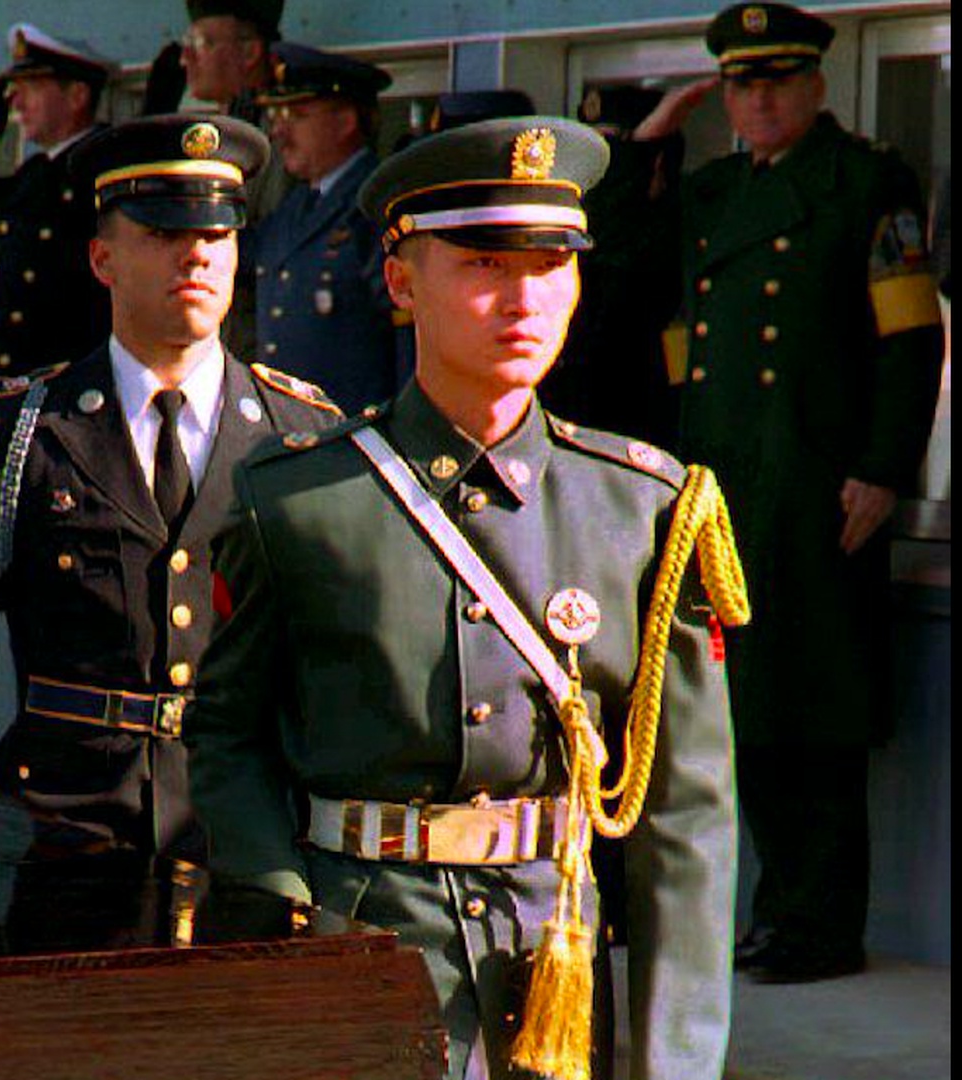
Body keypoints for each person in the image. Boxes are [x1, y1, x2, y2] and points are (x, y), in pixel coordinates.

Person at [186, 117, 743, 1080]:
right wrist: (288, 919)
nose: (523, 299)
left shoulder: (646, 507)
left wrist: (674, 1061)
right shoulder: (301, 499)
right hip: (361, 959)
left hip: (553, 974)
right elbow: (227, 733)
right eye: (486, 262)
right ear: (403, 282)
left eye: (551, 263)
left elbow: (687, 820)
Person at [0, 114, 342, 945]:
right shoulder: (22, 430)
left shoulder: (300, 437)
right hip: (60, 833)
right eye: (162, 232)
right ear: (102, 258)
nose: (195, 254)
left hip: (252, 838)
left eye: (216, 235)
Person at [611, 1, 945, 985]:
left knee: (818, 718)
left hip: (822, 489)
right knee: (746, 712)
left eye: (777, 82)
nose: (759, 102)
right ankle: (777, 915)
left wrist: (884, 468)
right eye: (742, 86)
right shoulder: (712, 192)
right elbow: (637, 288)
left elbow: (910, 340)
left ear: (815, 86)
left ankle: (817, 925)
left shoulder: (865, 184)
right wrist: (645, 150)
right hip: (727, 486)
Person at [0, 23, 116, 387]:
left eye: (32, 88)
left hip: (61, 385)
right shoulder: (34, 174)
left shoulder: (98, 170)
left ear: (77, 95)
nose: (16, 101)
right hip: (7, 381)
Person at [250, 43, 401, 411]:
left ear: (346, 120)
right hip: (286, 430)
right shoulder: (296, 205)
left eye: (297, 115)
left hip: (354, 434)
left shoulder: (377, 205)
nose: (279, 132)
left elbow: (407, 338)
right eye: (277, 117)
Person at [144, 0, 294, 360]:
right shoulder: (213, 136)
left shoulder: (284, 138)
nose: (186, 59)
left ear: (250, 52)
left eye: (201, 43)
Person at [541, 86, 682, 448]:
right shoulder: (572, 228)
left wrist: (639, 153)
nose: (598, 170)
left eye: (613, 149)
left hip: (639, 433)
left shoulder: (672, 232)